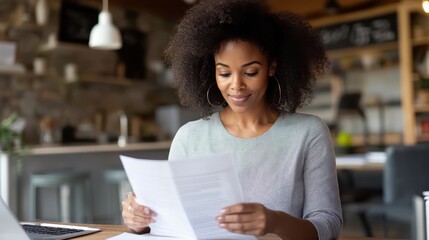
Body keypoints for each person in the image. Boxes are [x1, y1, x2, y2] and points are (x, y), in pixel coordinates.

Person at [121, 0, 342, 239]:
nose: (236, 85)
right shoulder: (189, 137)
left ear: (272, 67)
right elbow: (169, 223)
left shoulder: (308, 133)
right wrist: (139, 220)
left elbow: (328, 224)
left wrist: (274, 221)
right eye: (224, 73)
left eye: (250, 72)